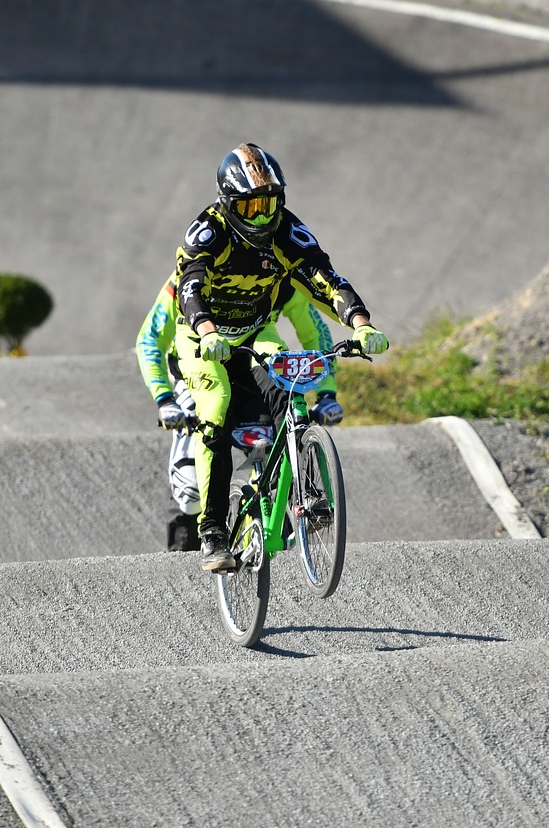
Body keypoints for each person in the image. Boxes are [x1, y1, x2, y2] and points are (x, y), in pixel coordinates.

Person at [144, 142, 388, 572]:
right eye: (252, 205)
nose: (262, 215)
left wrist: (361, 323)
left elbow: (324, 279)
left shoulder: (286, 232)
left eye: (270, 203)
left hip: (257, 332)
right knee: (216, 406)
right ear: (229, 203)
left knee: (291, 386)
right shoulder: (208, 230)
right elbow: (190, 287)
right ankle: (213, 530)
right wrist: (207, 331)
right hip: (202, 338)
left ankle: (293, 492)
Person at [137, 277, 344, 551]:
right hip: (195, 375)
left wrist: (326, 394)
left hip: (251, 373)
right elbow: (151, 338)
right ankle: (193, 547)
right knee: (190, 492)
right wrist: (165, 399)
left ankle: (271, 520)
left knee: (275, 444)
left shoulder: (281, 272)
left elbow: (315, 332)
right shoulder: (188, 277)